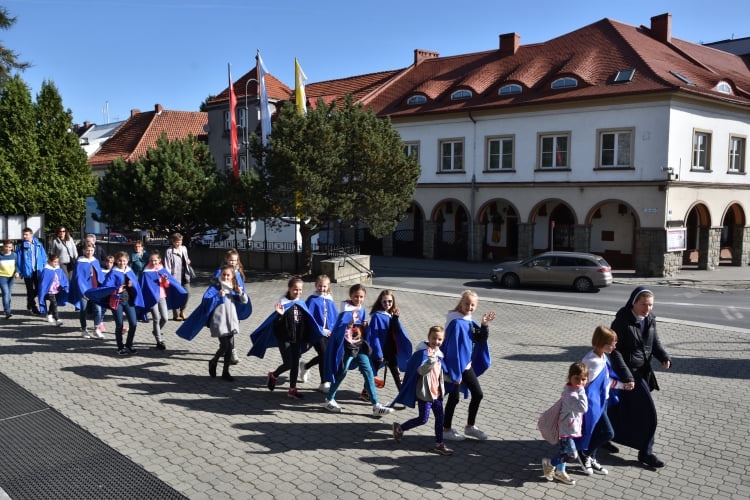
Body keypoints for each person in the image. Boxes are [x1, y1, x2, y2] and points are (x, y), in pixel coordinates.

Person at [608, 286, 672, 469]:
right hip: (627, 374)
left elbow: (654, 342)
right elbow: (615, 352)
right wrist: (627, 376)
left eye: (650, 305)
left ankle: (604, 437)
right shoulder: (621, 322)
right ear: (634, 302)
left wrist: (664, 357)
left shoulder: (650, 319)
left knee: (618, 408)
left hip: (642, 371)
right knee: (648, 414)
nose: (647, 308)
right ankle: (646, 452)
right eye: (644, 304)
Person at [322, 284, 394, 416]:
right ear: (351, 295)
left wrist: (364, 326)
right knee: (342, 372)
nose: (358, 299)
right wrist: (349, 323)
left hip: (359, 345)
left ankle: (376, 405)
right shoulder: (346, 310)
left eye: (361, 297)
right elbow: (339, 328)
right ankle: (329, 399)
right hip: (346, 347)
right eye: (356, 296)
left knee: (369, 372)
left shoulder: (362, 310)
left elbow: (362, 327)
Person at [249, 277, 323, 398]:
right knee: (289, 363)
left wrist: (308, 339)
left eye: (300, 290)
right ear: (289, 289)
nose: (298, 292)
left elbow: (306, 323)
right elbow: (275, 325)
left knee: (295, 363)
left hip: (297, 339)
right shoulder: (283, 304)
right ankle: (274, 375)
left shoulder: (301, 303)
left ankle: (292, 389)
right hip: (285, 339)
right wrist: (279, 315)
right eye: (295, 290)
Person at [177, 264, 251, 381]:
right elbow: (206, 300)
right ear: (220, 275)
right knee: (225, 346)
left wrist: (241, 292)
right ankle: (213, 361)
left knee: (230, 347)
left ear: (232, 277)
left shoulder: (233, 287)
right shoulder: (216, 287)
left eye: (228, 275)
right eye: (224, 275)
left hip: (230, 320)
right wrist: (218, 296)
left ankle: (225, 372)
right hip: (219, 320)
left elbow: (244, 301)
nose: (225, 277)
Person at [441, 290, 495, 441]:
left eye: (472, 305)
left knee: (478, 394)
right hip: (456, 367)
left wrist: (484, 325)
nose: (469, 307)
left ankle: (470, 427)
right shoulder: (456, 322)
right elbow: (452, 350)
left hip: (466, 366)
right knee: (454, 398)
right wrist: (455, 373)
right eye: (467, 304)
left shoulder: (468, 320)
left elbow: (480, 339)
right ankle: (446, 429)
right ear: (461, 303)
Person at [391, 325, 452, 455]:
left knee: (440, 418)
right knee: (423, 419)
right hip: (424, 393)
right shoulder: (422, 354)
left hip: (437, 393)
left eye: (440, 339)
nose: (436, 342)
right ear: (428, 337)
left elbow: (441, 373)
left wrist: (452, 379)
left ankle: (439, 444)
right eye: (434, 338)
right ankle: (400, 428)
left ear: (443, 340)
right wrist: (431, 361)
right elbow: (419, 371)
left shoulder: (439, 355)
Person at [575, 325, 626, 476]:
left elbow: (605, 380)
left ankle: (591, 457)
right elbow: (583, 383)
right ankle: (585, 454)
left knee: (597, 430)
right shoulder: (591, 361)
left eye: (614, 343)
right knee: (608, 433)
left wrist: (622, 386)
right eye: (611, 343)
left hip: (603, 400)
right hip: (593, 404)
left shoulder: (602, 356)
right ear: (600, 342)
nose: (614, 346)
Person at [87, 251, 144, 355]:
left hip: (128, 301)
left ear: (128, 261)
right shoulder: (113, 273)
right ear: (117, 261)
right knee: (119, 325)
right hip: (116, 301)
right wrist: (117, 290)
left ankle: (129, 344)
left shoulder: (130, 271)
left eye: (124, 261)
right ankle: (120, 347)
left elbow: (136, 286)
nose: (122, 263)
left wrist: (132, 286)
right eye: (120, 261)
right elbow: (106, 287)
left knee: (133, 323)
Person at [541, 362, 589, 486]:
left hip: (569, 428)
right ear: (570, 378)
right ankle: (550, 464)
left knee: (564, 452)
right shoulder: (570, 395)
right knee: (571, 455)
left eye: (583, 379)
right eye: (576, 378)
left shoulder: (573, 390)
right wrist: (582, 390)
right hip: (566, 431)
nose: (579, 382)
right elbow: (583, 408)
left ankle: (560, 472)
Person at [139, 250, 188, 350]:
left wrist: (165, 281)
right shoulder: (146, 271)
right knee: (156, 318)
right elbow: (143, 286)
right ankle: (159, 341)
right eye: (152, 260)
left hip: (162, 297)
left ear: (159, 260)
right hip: (152, 299)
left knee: (165, 318)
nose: (154, 262)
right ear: (149, 260)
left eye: (156, 260)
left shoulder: (162, 269)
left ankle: (156, 331)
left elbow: (167, 285)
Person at [366, 289, 412, 393]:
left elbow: (397, 330)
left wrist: (395, 318)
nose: (387, 304)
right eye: (384, 301)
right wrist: (378, 354)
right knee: (372, 372)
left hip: (391, 351)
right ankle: (366, 392)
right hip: (380, 352)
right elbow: (374, 336)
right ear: (380, 302)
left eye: (390, 301)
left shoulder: (391, 315)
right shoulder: (377, 316)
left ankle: (402, 395)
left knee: (396, 373)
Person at [300, 274, 338, 393]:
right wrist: (321, 330)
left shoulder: (329, 298)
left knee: (326, 356)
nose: (322, 289)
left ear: (328, 286)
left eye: (324, 286)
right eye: (319, 286)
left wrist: (333, 329)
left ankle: (306, 366)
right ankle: (323, 382)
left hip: (329, 333)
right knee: (324, 354)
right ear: (316, 285)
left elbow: (334, 316)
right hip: (317, 333)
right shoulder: (312, 299)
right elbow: (309, 318)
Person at [213, 249, 246, 365]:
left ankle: (227, 350)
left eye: (235, 260)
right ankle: (231, 353)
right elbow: (213, 288)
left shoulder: (238, 272)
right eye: (231, 260)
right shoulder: (221, 272)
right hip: (221, 308)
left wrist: (242, 295)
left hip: (234, 305)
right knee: (226, 331)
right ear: (226, 260)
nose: (233, 262)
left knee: (231, 330)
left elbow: (242, 288)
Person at [69, 242, 105, 339]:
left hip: (95, 290)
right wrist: (82, 292)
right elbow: (78, 278)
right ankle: (84, 329)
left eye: (91, 250)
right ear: (84, 251)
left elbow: (100, 275)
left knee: (98, 309)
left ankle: (96, 329)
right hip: (84, 291)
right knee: (83, 310)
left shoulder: (95, 261)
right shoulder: (80, 262)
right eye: (87, 250)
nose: (89, 252)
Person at [15, 227, 47, 315]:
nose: (25, 236)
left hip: (38, 270)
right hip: (27, 271)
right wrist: (19, 271)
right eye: (23, 235)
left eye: (26, 234)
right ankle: (34, 307)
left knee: (38, 289)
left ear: (31, 235)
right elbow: (18, 260)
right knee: (29, 290)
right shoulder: (21, 246)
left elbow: (44, 257)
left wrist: (45, 268)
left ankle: (30, 300)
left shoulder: (39, 244)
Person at [164, 232, 191, 321]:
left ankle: (182, 310)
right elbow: (167, 266)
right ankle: (175, 314)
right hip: (175, 277)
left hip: (185, 275)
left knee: (187, 294)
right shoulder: (169, 251)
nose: (178, 243)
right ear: (173, 241)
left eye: (180, 241)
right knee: (175, 295)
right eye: (176, 242)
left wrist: (188, 261)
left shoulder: (184, 248)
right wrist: (168, 279)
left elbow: (186, 259)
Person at [37, 254, 69, 327]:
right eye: (54, 262)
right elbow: (43, 282)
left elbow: (63, 279)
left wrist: (64, 286)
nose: (56, 264)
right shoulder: (46, 270)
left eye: (57, 262)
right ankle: (57, 319)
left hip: (57, 290)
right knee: (54, 303)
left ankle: (50, 314)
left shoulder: (59, 269)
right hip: (49, 291)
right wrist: (43, 290)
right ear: (50, 261)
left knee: (54, 303)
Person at [0, 240, 16, 319]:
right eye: (6, 247)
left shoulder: (14, 255)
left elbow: (17, 265)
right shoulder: (0, 255)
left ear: (12, 247)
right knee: (6, 293)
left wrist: (17, 272)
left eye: (10, 247)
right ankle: (7, 311)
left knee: (9, 294)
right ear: (3, 246)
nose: (8, 249)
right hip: (2, 277)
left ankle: (7, 308)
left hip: (11, 277)